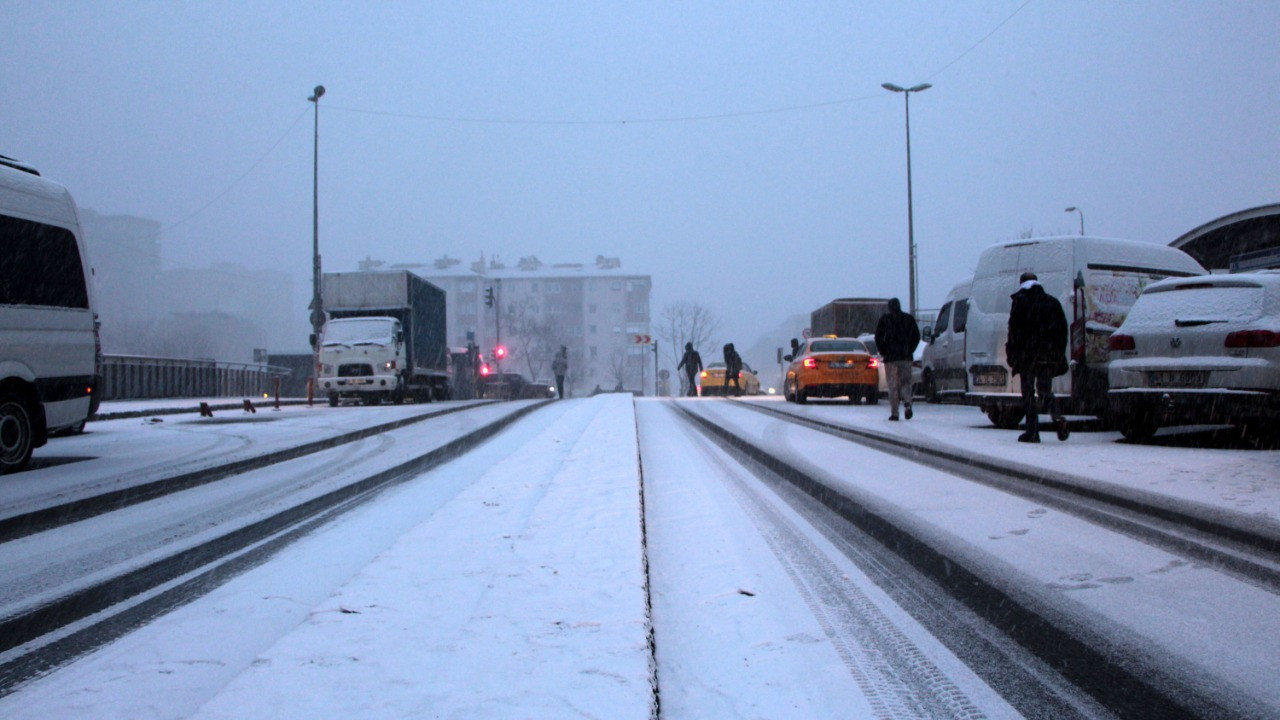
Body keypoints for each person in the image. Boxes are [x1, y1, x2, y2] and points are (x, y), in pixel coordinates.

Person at [1006, 272, 1070, 443]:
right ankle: (1057, 417)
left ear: (1022, 283)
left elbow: (1014, 331)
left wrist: (1012, 354)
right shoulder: (1052, 302)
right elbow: (1063, 330)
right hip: (1048, 356)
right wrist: (1057, 352)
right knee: (1045, 391)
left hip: (1028, 357)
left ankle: (1032, 432)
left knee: (1028, 394)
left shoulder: (1020, 302)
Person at [874, 297, 921, 421]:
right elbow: (916, 336)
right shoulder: (908, 319)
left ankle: (895, 412)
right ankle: (907, 403)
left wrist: (884, 351)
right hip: (905, 358)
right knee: (906, 383)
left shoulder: (885, 320)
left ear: (889, 307)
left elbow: (878, 338)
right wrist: (909, 350)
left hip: (890, 358)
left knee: (893, 386)